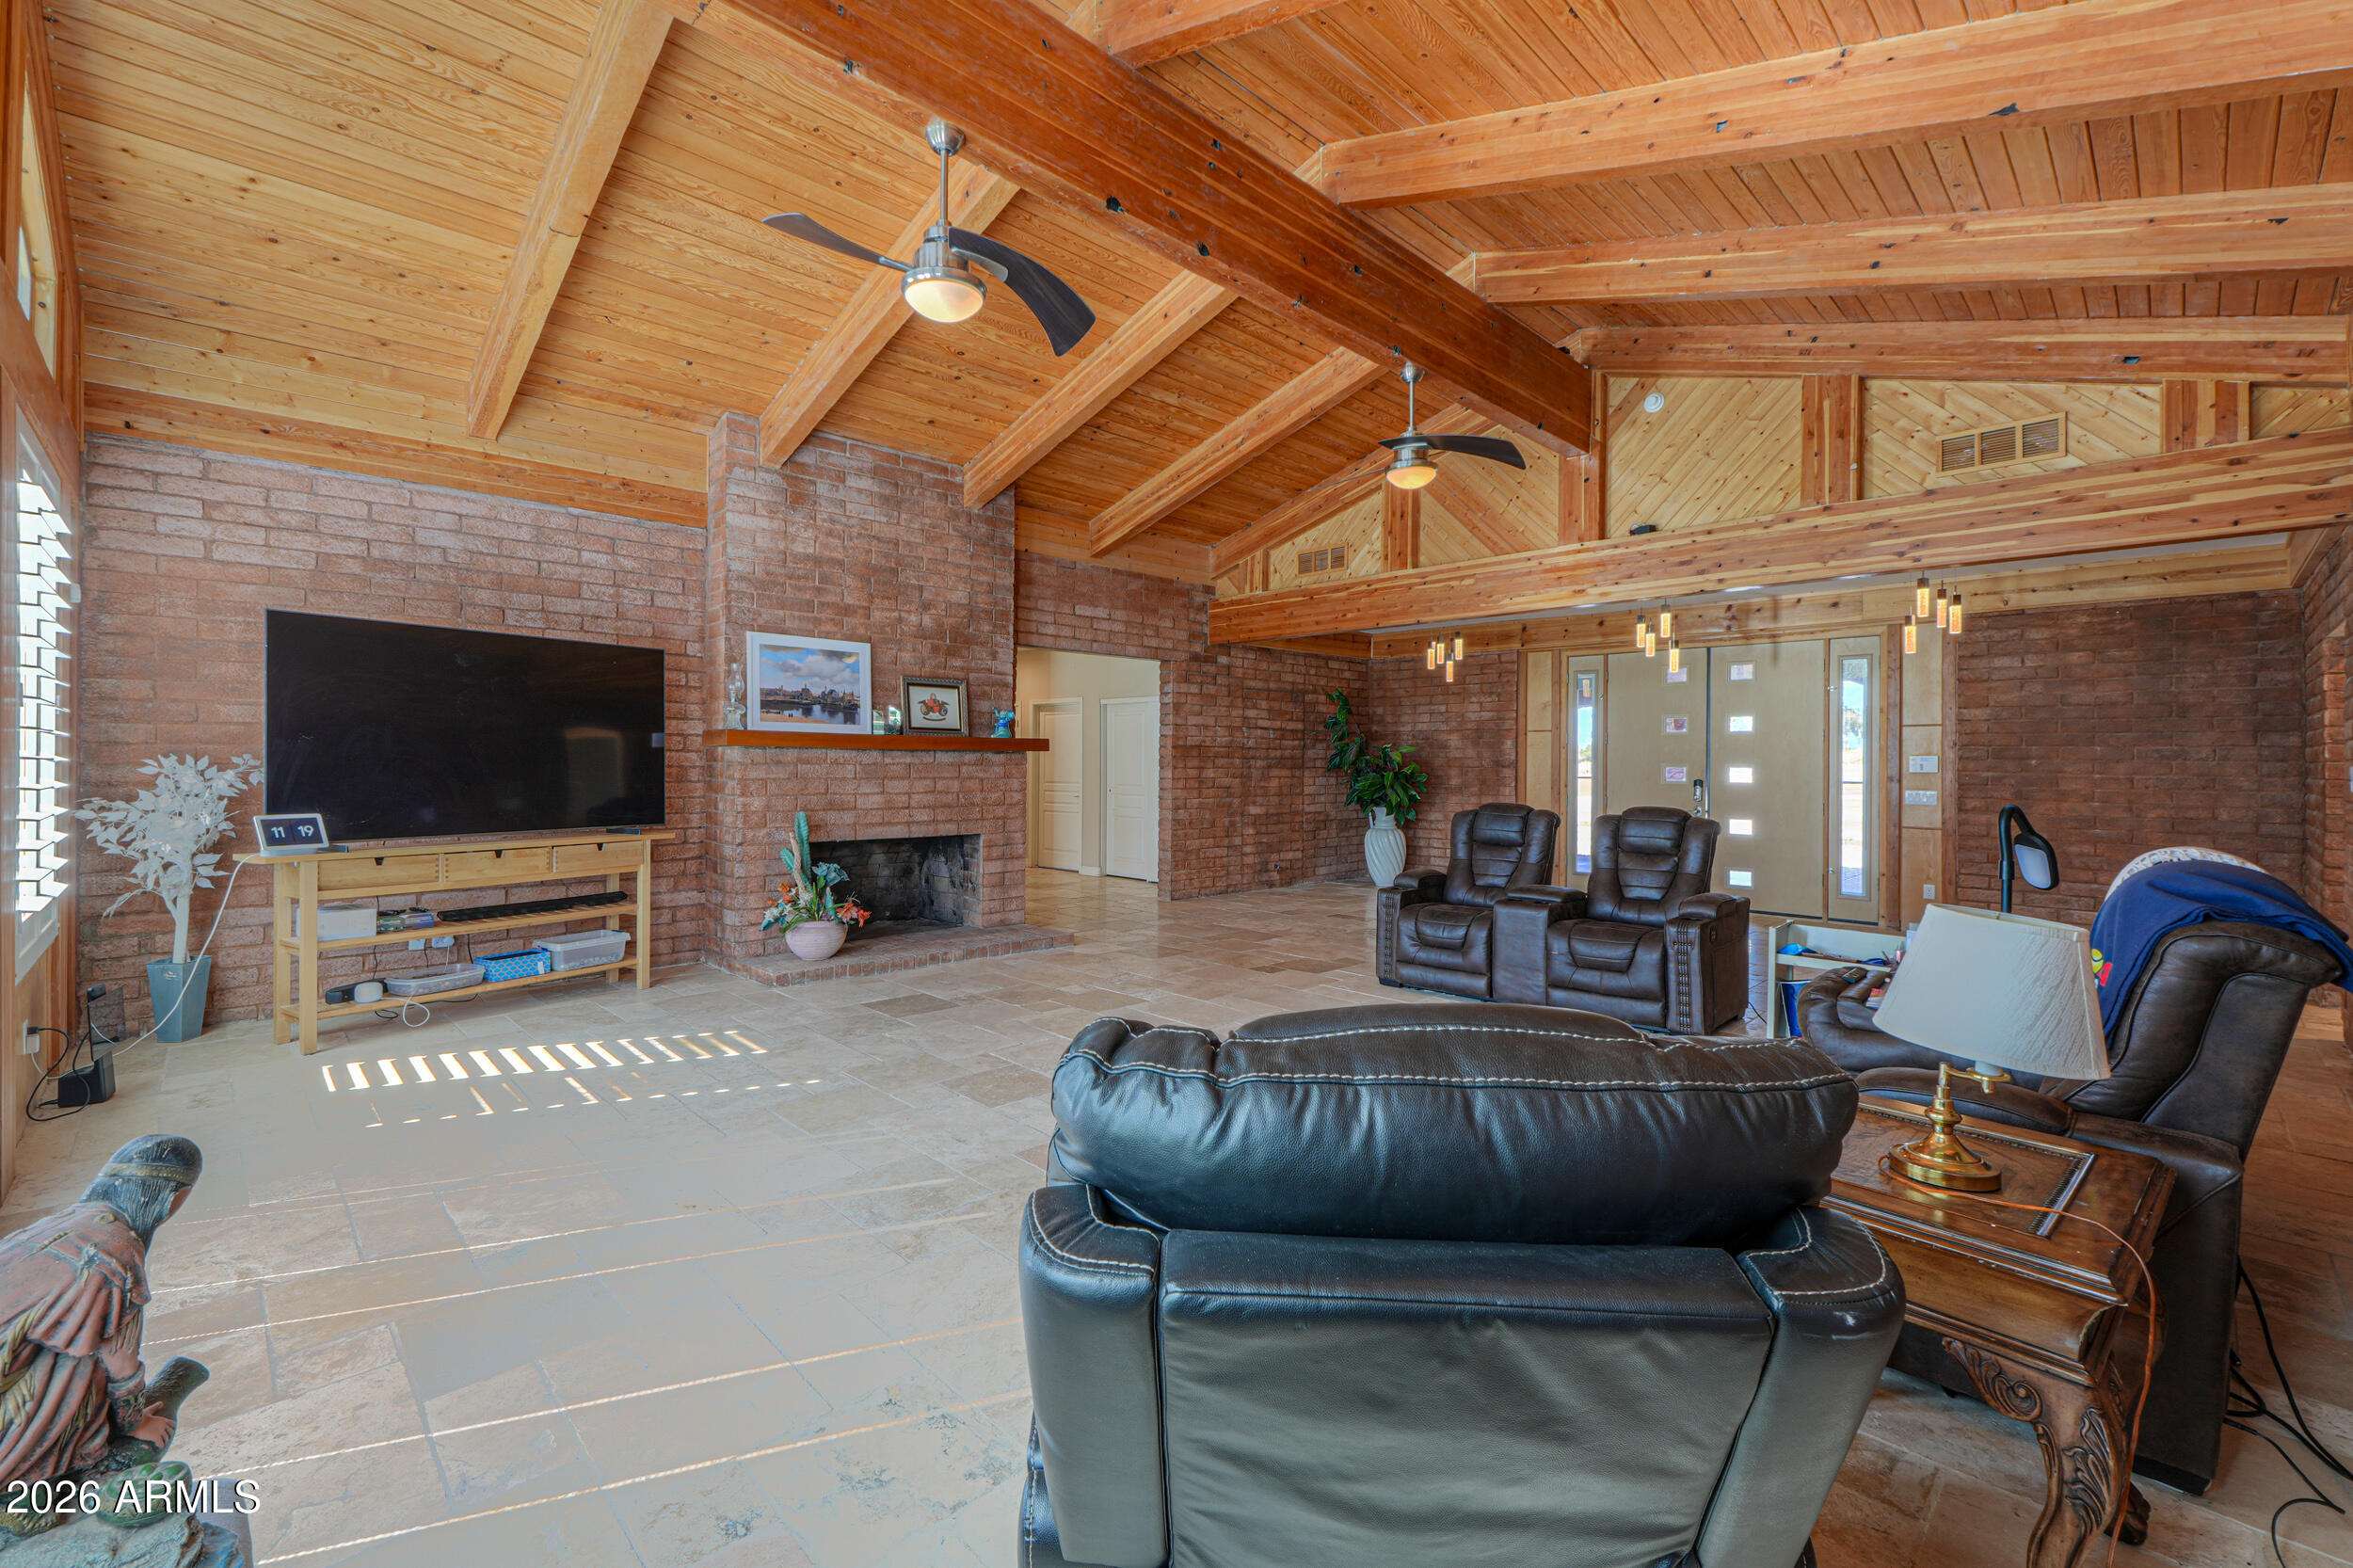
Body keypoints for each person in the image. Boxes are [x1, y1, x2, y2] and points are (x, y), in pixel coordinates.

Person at [0, 1135, 209, 1538]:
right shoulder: (116, 1252)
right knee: (78, 1355)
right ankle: (22, 1486)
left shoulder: (60, 1224)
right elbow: (120, 1362)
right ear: (172, 1198)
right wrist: (133, 1425)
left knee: (68, 1337)